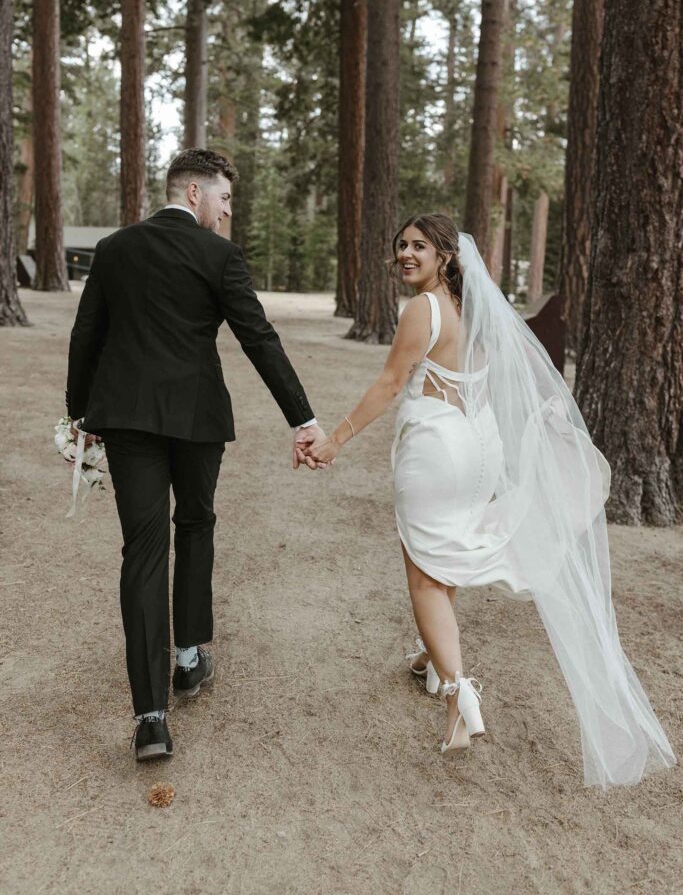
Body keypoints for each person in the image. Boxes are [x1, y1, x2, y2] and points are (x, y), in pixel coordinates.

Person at [310, 213, 676, 788]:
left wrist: (335, 440)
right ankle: (433, 664)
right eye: (401, 245)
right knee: (446, 551)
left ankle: (458, 695)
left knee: (424, 575)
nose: (407, 254)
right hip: (480, 446)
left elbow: (387, 385)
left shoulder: (421, 310)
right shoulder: (477, 308)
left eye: (419, 246)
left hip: (436, 447)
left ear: (446, 257)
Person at [66, 148, 325, 761]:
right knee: (196, 526)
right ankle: (187, 659)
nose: (227, 212)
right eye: (224, 199)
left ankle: (150, 719)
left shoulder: (114, 249)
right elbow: (258, 336)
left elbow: (87, 334)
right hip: (197, 419)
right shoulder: (220, 257)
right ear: (192, 194)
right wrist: (303, 418)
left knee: (144, 550)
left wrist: (80, 415)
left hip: (128, 420)